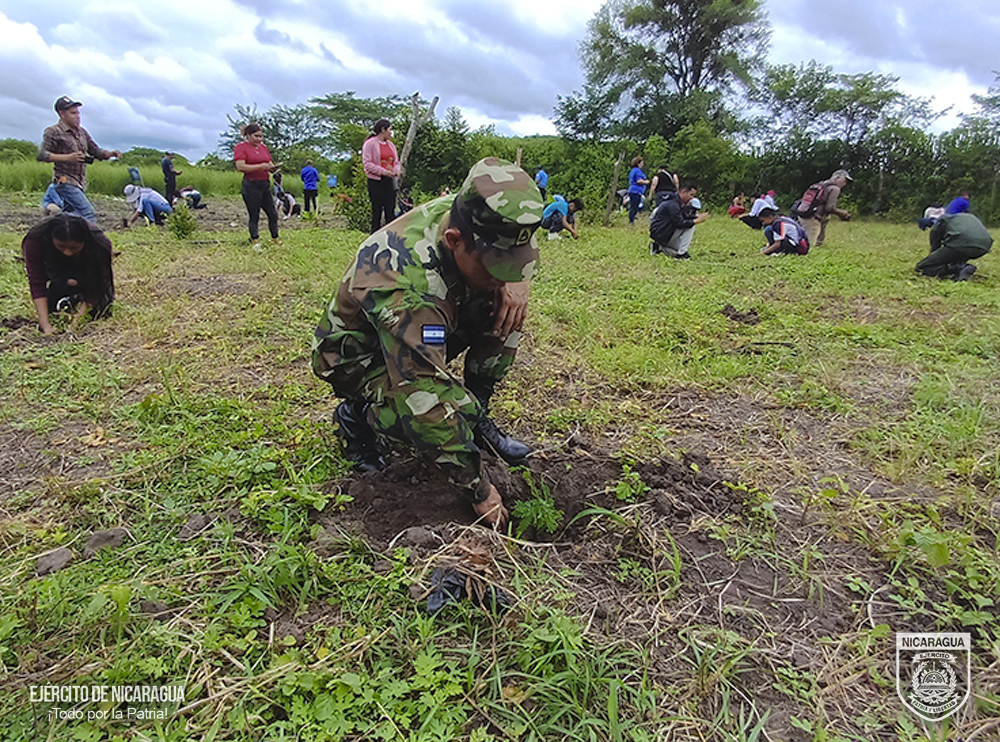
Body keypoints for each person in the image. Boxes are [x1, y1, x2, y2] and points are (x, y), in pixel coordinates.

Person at [312, 158, 544, 529]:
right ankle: (357, 417)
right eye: (494, 266)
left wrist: (517, 282)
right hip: (357, 358)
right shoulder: (406, 285)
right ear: (454, 241)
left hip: (428, 321)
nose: (501, 276)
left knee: (504, 309)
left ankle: (475, 415)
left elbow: (516, 239)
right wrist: (478, 489)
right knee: (423, 414)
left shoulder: (477, 210)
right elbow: (425, 402)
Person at [22, 214, 115, 335]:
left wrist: (76, 324)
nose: (67, 252)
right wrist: (45, 325)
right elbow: (37, 282)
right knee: (56, 301)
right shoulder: (35, 240)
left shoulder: (99, 243)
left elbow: (99, 283)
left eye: (74, 247)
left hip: (86, 271)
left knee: (101, 311)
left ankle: (79, 300)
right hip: (58, 273)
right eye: (61, 246)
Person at [37, 96, 121, 224]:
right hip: (64, 179)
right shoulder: (53, 131)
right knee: (87, 213)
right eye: (73, 113)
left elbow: (95, 150)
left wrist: (110, 153)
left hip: (80, 181)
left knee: (69, 217)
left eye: (78, 113)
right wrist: (68, 157)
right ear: (62, 114)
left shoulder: (82, 132)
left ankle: (55, 237)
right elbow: (42, 155)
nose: (77, 116)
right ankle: (93, 242)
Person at [234, 123, 281, 248]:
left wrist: (273, 169)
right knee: (254, 214)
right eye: (256, 136)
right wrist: (260, 166)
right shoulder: (241, 147)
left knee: (273, 214)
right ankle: (255, 241)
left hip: (264, 184)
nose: (259, 139)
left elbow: (269, 163)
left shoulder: (263, 148)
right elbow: (240, 166)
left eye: (261, 136)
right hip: (251, 185)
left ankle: (275, 240)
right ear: (248, 135)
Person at [916, 212, 993, 281]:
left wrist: (932, 259)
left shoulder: (941, 222)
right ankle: (961, 267)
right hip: (983, 246)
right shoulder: (967, 217)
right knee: (957, 254)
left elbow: (935, 248)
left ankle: (959, 268)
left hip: (960, 243)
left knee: (922, 267)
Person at [649, 182, 708, 259]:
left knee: (676, 250)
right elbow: (679, 222)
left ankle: (659, 248)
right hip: (663, 232)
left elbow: (683, 216)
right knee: (691, 226)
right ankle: (682, 254)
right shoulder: (673, 204)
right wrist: (696, 221)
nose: (692, 198)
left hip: (663, 232)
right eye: (691, 195)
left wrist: (695, 216)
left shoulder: (677, 202)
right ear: (683, 191)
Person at [795, 170, 852, 247]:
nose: (845, 184)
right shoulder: (835, 188)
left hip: (803, 214)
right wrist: (842, 213)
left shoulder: (821, 184)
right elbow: (830, 208)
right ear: (837, 178)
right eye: (844, 180)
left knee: (800, 239)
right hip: (813, 218)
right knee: (809, 245)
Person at [362, 119, 400, 233]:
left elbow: (396, 162)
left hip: (390, 180)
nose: (391, 133)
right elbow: (368, 164)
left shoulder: (391, 145)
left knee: (390, 209)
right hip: (376, 181)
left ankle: (391, 234)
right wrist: (383, 171)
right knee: (377, 210)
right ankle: (374, 234)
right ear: (383, 130)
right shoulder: (370, 144)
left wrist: (396, 170)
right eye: (389, 130)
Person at [626, 157, 649, 224]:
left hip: (632, 190)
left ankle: (632, 217)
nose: (643, 164)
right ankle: (631, 220)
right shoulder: (638, 171)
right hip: (636, 191)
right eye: (642, 163)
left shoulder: (633, 170)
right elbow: (638, 181)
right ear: (638, 163)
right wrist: (646, 182)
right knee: (634, 206)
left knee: (634, 205)